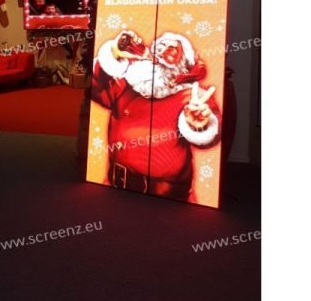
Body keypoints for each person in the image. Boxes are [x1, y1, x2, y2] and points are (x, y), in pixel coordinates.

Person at [91, 30, 220, 202]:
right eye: (160, 46)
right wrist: (114, 53)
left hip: (168, 199)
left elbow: (213, 136)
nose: (162, 51)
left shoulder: (195, 97)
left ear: (183, 63)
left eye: (171, 48)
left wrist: (200, 125)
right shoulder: (125, 86)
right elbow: (94, 87)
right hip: (117, 188)